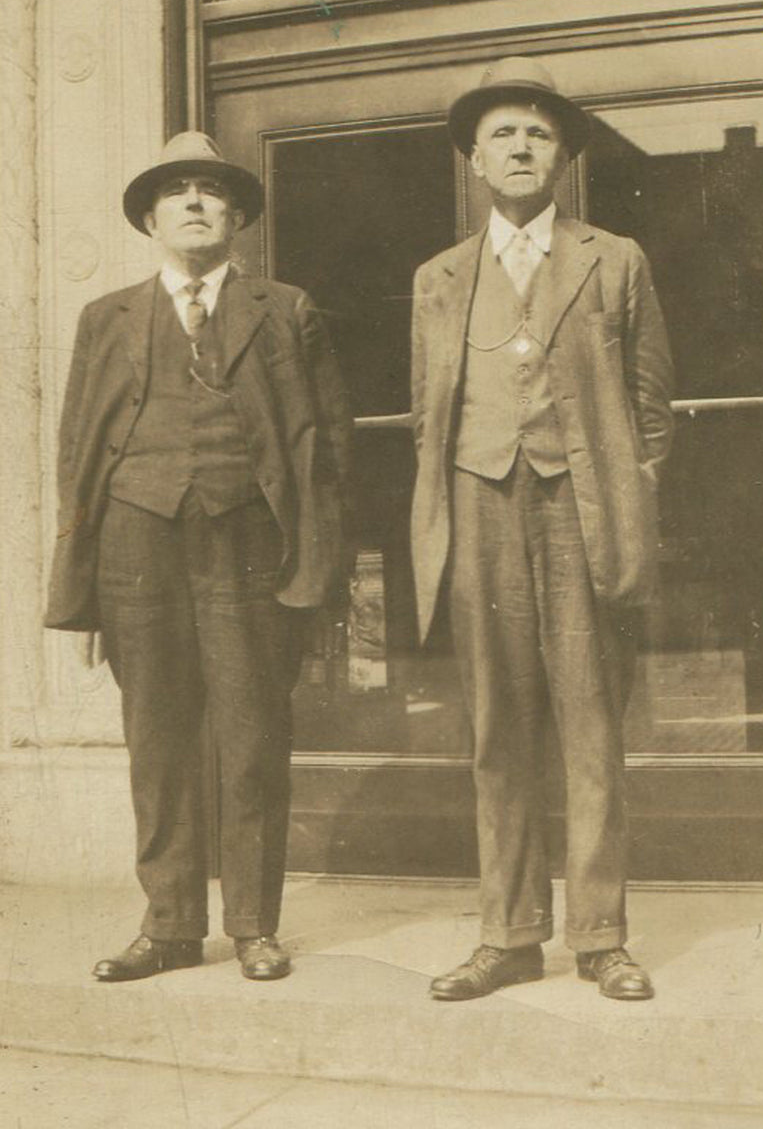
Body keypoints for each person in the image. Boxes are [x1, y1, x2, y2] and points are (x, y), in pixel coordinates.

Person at [45, 132, 352, 982]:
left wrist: (318, 577)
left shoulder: (284, 310)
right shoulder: (105, 317)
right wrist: (80, 590)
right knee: (157, 736)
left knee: (253, 732)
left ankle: (254, 923)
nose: (193, 201)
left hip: (247, 540)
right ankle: (172, 925)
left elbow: (326, 452)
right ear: (150, 216)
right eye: (175, 190)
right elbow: (78, 451)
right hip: (134, 545)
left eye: (210, 190)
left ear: (238, 215)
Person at [411, 58, 674, 1002]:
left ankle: (600, 937)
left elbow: (651, 413)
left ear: (562, 155)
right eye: (502, 134)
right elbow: (428, 414)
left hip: (582, 511)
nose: (520, 146)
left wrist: (623, 500)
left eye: (538, 132)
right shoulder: (438, 278)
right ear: (475, 160)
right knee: (498, 729)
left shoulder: (615, 258)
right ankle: (510, 934)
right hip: (479, 507)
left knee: (590, 723)